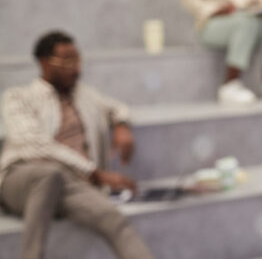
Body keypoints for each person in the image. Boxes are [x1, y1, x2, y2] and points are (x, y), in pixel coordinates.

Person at [0, 31, 153, 259]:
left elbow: (118, 108)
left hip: (73, 184)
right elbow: (36, 145)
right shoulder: (19, 97)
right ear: (44, 63)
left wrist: (121, 126)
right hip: (22, 178)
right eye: (67, 61)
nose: (76, 68)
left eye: (77, 60)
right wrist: (94, 172)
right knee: (50, 175)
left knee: (115, 220)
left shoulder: (85, 96)